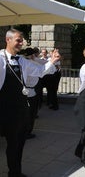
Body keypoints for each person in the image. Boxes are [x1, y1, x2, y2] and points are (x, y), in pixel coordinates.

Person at [0, 29, 60, 177]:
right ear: (8, 40)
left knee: (18, 143)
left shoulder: (22, 61)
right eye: (18, 40)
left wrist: (52, 61)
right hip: (4, 109)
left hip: (21, 108)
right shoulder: (0, 59)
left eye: (22, 40)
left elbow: (40, 71)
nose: (21, 43)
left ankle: (15, 172)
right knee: (11, 143)